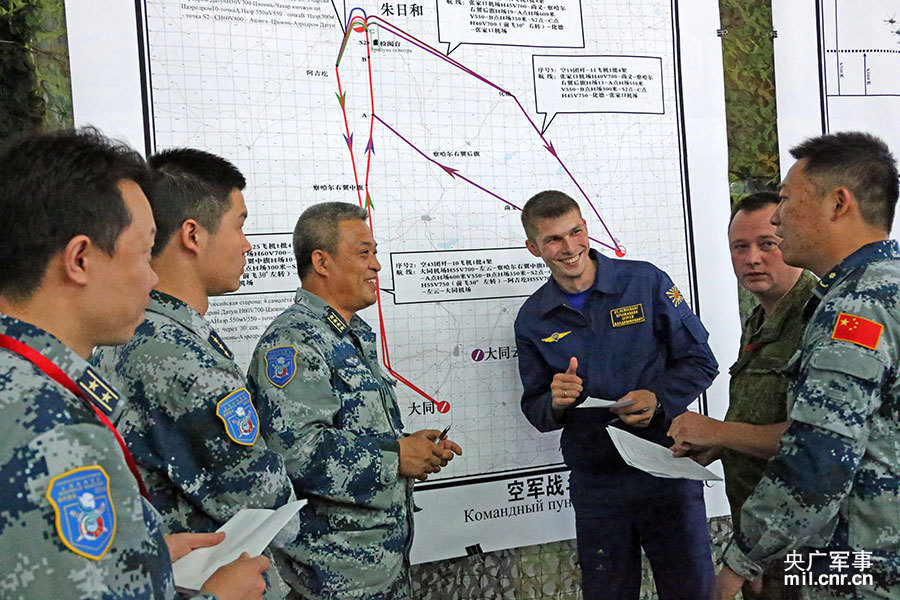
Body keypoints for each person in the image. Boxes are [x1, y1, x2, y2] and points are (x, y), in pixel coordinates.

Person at [0, 128, 270, 599]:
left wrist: (143, 561)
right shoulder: (54, 427)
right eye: (145, 252)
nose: (152, 276)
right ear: (80, 260)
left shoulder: (25, 380)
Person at [91, 149, 296, 598]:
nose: (247, 244)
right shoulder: (182, 357)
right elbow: (264, 499)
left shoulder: (128, 332)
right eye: (239, 224)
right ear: (192, 235)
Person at [247, 201, 462, 600]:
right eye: (364, 253)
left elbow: (349, 433)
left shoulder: (349, 334)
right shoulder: (294, 342)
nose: (377, 265)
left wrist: (409, 447)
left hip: (378, 570)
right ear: (322, 261)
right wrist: (395, 457)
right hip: (332, 579)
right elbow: (295, 453)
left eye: (375, 253)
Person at [718, 131, 900, 600]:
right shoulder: (883, 285)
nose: (778, 217)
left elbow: (821, 455)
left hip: (861, 569)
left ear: (839, 204)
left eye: (785, 200)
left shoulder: (858, 307)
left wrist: (742, 558)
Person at [514, 190, 719, 600]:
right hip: (599, 485)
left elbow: (702, 362)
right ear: (534, 248)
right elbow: (535, 409)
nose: (570, 248)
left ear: (587, 229)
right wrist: (554, 401)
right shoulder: (533, 318)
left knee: (692, 591)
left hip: (668, 469)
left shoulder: (645, 282)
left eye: (576, 232)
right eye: (553, 240)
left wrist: (657, 399)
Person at [667, 191, 816, 600]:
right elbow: (761, 419)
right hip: (760, 539)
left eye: (768, 244)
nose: (752, 258)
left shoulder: (819, 318)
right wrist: (715, 445)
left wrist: (719, 432)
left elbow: (816, 441)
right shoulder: (761, 317)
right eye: (740, 247)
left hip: (807, 547)